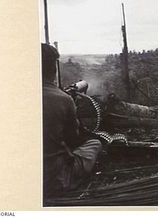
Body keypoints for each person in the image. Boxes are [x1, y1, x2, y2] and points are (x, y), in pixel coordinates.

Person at [42, 43, 102, 201]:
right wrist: (71, 111)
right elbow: (73, 139)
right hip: (53, 179)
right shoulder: (63, 99)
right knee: (94, 143)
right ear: (53, 68)